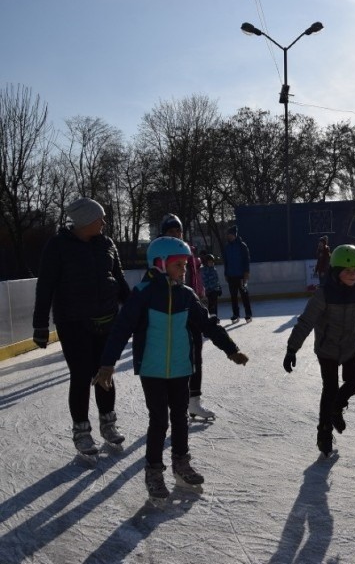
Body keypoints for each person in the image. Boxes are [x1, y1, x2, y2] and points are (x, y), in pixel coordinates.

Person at [94, 236, 249, 502]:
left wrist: (231, 349)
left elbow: (208, 325)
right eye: (179, 265)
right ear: (160, 264)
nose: (185, 270)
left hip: (180, 368)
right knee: (159, 420)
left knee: (179, 417)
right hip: (152, 370)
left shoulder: (186, 295)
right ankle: (154, 471)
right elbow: (121, 329)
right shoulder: (143, 293)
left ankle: (181, 462)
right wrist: (107, 364)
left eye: (186, 265)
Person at [32, 197, 130, 458]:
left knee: (104, 372)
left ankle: (108, 423)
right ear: (86, 221)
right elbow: (45, 287)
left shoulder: (107, 244)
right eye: (100, 218)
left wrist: (133, 310)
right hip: (73, 321)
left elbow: (118, 279)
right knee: (81, 374)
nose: (104, 222)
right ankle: (82, 430)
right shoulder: (58, 246)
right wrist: (40, 325)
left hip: (107, 319)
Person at [283, 245, 355, 457]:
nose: (353, 275)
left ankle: (337, 408)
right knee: (330, 388)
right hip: (327, 349)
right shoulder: (324, 294)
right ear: (336, 271)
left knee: (354, 384)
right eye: (347, 271)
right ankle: (324, 432)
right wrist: (292, 349)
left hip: (351, 347)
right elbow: (305, 322)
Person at [160, 214, 214, 421]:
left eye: (178, 231)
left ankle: (194, 402)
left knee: (196, 353)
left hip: (192, 303)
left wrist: (201, 295)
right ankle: (172, 402)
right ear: (163, 234)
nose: (175, 235)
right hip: (172, 309)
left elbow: (194, 275)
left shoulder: (188, 250)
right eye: (171, 231)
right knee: (175, 355)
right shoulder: (159, 254)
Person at [224, 225, 252, 323]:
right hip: (231, 275)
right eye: (228, 235)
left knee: (244, 295)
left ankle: (248, 314)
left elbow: (246, 260)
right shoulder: (227, 247)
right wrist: (226, 273)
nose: (229, 236)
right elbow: (226, 261)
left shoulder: (242, 246)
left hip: (241, 275)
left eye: (230, 234)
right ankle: (236, 314)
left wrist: (246, 273)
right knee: (233, 296)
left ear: (235, 235)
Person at [200, 253, 223, 320]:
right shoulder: (204, 270)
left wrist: (219, 287)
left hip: (215, 289)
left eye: (212, 262)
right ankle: (212, 316)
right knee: (211, 304)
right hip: (209, 290)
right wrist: (209, 287)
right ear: (206, 262)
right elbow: (205, 281)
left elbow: (217, 279)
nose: (211, 263)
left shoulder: (214, 269)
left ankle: (215, 316)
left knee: (215, 304)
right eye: (210, 262)